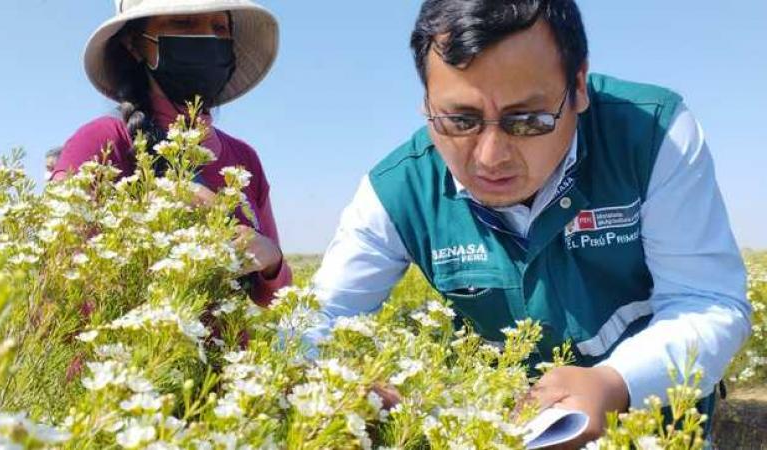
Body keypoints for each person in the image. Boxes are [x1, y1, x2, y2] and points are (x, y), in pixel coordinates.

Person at [306, 0, 751, 446]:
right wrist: (350, 388)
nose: (490, 156)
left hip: (658, 426)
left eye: (528, 120)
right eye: (460, 121)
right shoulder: (397, 189)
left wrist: (615, 383)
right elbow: (316, 319)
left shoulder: (653, 133)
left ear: (578, 87)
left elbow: (706, 300)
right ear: (425, 104)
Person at [52, 0, 290, 305]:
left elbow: (275, 298)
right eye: (183, 23)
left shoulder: (245, 160)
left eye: (220, 27)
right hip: (131, 352)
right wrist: (149, 218)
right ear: (134, 44)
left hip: (223, 351)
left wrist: (271, 260)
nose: (208, 39)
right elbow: (56, 271)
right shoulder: (100, 141)